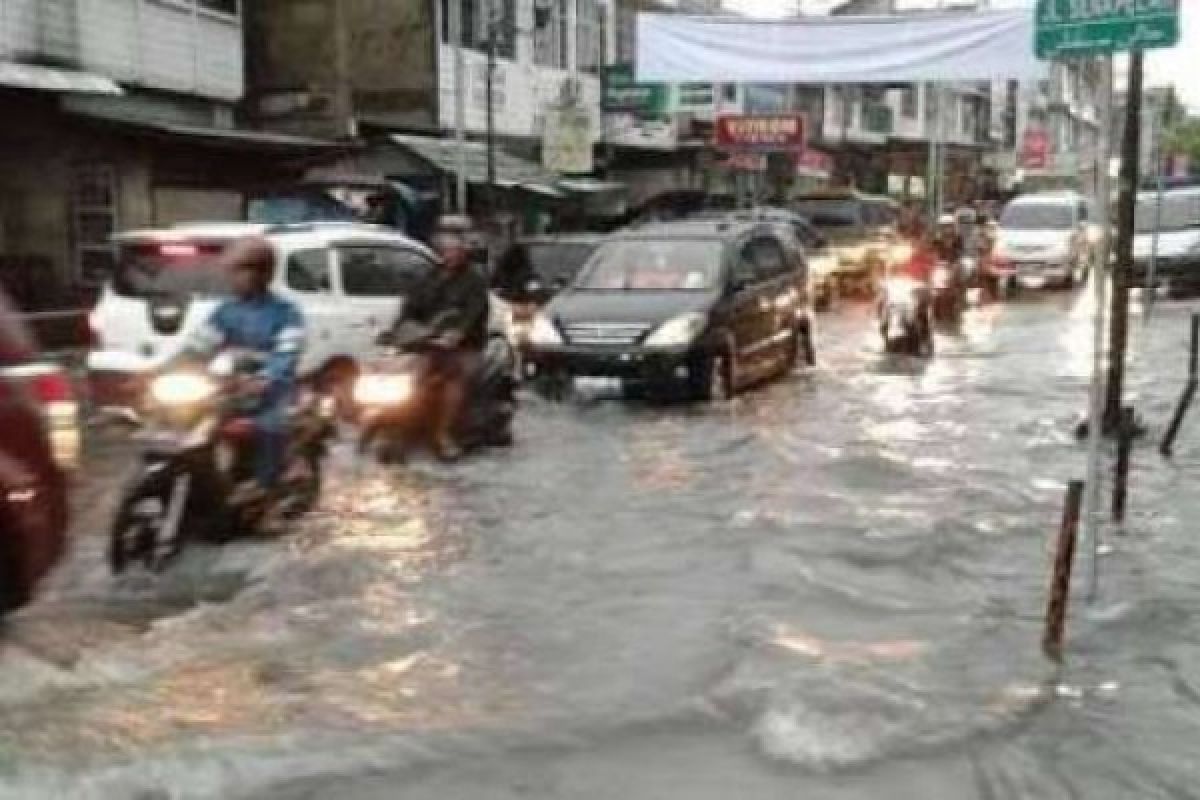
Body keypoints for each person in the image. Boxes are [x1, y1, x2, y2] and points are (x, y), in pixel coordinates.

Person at [188, 236, 305, 498]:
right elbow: (197, 347)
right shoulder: (226, 311)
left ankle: (266, 492)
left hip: (273, 394)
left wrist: (265, 378)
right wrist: (159, 372)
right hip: (232, 389)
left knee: (268, 427)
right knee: (190, 421)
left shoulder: (286, 312)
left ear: (262, 273)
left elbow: (287, 354)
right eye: (232, 271)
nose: (232, 278)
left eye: (239, 271)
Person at [404, 224, 490, 460]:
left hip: (465, 346)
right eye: (445, 249)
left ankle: (445, 434)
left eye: (454, 250)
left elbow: (473, 312)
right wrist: (398, 330)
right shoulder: (429, 277)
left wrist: (457, 333)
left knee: (456, 379)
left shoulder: (474, 280)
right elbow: (411, 307)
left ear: (463, 253)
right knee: (409, 374)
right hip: (429, 343)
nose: (449, 254)